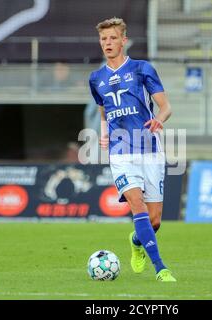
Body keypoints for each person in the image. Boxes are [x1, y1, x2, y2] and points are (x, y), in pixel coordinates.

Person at [88, 17, 176, 282]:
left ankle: (137, 242)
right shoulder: (96, 79)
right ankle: (161, 269)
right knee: (136, 205)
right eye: (104, 39)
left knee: (155, 220)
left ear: (123, 41)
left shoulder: (141, 69)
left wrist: (159, 119)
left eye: (113, 38)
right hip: (121, 152)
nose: (108, 43)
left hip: (149, 148)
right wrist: (104, 133)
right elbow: (103, 110)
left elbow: (166, 106)